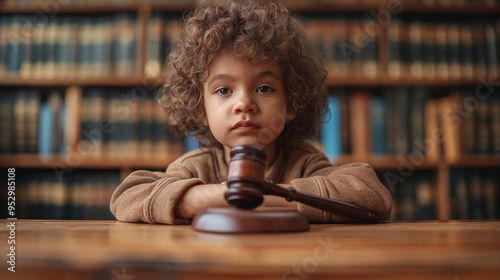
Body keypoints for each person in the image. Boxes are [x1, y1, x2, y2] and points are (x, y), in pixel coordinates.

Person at [110, 0, 392, 224]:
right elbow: (127, 196)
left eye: (265, 88)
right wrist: (208, 196)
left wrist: (266, 199)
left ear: (291, 103)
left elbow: (373, 196)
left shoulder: (303, 162)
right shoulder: (196, 167)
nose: (244, 104)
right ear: (201, 110)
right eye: (223, 90)